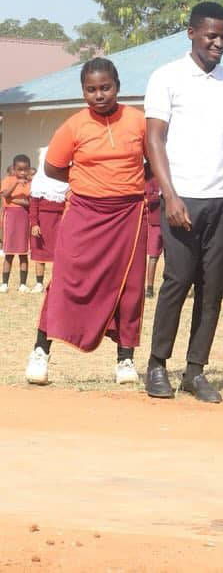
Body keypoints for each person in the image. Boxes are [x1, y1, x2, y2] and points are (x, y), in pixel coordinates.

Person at [143, 1, 223, 403]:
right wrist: (170, 195)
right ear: (191, 33)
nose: (218, 42)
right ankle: (157, 366)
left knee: (211, 290)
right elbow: (154, 138)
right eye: (211, 35)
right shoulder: (167, 78)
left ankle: (195, 372)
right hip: (182, 198)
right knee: (177, 281)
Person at [25, 58, 148, 386]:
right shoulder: (73, 125)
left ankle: (125, 358)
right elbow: (52, 168)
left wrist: (132, 180)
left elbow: (155, 161)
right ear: (83, 92)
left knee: (129, 287)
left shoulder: (138, 121)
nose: (99, 95)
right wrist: (86, 177)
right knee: (66, 280)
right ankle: (40, 351)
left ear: (118, 86)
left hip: (129, 216)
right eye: (91, 89)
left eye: (105, 87)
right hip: (83, 213)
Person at [28, 163, 69, 294]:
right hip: (42, 220)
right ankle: (39, 283)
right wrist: (34, 223)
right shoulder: (39, 181)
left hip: (60, 220)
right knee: (40, 253)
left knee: (59, 253)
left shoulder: (66, 181)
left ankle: (56, 283)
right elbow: (33, 205)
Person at [1, 154, 32, 293]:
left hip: (24, 218)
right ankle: (4, 283)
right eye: (19, 169)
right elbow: (5, 194)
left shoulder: (30, 183)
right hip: (10, 217)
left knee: (23, 252)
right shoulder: (7, 180)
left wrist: (12, 200)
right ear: (13, 169)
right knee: (9, 252)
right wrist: (15, 183)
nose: (22, 173)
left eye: (25, 170)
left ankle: (23, 284)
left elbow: (28, 203)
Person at [144, 174, 163, 298]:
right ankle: (149, 288)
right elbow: (149, 199)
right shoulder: (150, 178)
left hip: (170, 222)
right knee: (153, 256)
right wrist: (160, 194)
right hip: (155, 222)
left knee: (171, 256)